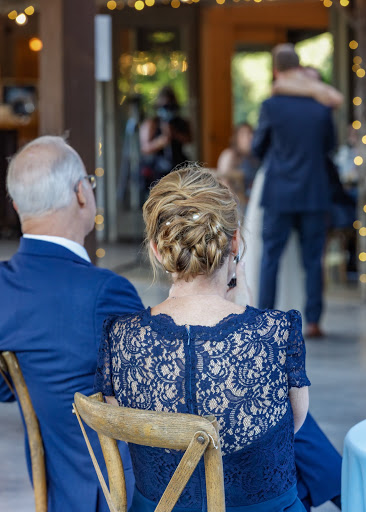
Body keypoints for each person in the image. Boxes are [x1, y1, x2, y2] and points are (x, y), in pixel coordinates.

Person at [95, 165, 310, 512]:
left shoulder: (120, 338)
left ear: (156, 249)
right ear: (236, 241)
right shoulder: (275, 333)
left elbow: (125, 429)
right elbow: (293, 426)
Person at [0, 136, 143, 512]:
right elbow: (152, 396)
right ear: (82, 193)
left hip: (60, 489)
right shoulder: (105, 292)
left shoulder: (4, 287)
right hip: (118, 493)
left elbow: (6, 388)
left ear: (17, 206)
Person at [252, 44, 336, 339]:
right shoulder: (320, 106)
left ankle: (265, 315)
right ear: (299, 68)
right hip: (314, 190)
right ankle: (313, 321)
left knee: (270, 257)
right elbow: (329, 147)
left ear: (276, 70)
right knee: (313, 259)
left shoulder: (271, 106)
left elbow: (257, 147)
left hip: (279, 192)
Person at [139, 86, 191, 195]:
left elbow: (189, 139)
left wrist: (174, 134)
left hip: (178, 165)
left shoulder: (180, 122)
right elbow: (145, 148)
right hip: (157, 168)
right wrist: (160, 142)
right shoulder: (152, 123)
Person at [217, 122, 260, 209]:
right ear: (236, 138)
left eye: (250, 133)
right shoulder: (229, 155)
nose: (249, 137)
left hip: (253, 202)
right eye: (243, 134)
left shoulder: (255, 158)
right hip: (236, 205)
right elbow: (224, 184)